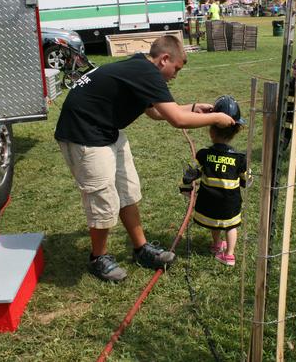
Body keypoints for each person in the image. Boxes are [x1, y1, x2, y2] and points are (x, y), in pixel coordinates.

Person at [55, 35, 235, 282]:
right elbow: (176, 120)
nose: (175, 75)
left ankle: (141, 249)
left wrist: (193, 107)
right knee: (103, 198)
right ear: (164, 59)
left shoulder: (141, 68)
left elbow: (154, 112)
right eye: (177, 69)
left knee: (128, 191)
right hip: (84, 134)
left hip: (106, 130)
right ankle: (98, 258)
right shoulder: (147, 72)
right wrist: (216, 119)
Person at [179, 95, 251, 266]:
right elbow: (247, 180)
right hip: (230, 204)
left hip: (209, 202)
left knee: (215, 225)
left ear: (211, 131)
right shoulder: (240, 159)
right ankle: (229, 255)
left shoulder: (204, 155)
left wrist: (185, 188)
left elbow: (190, 174)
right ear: (236, 131)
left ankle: (216, 244)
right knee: (230, 226)